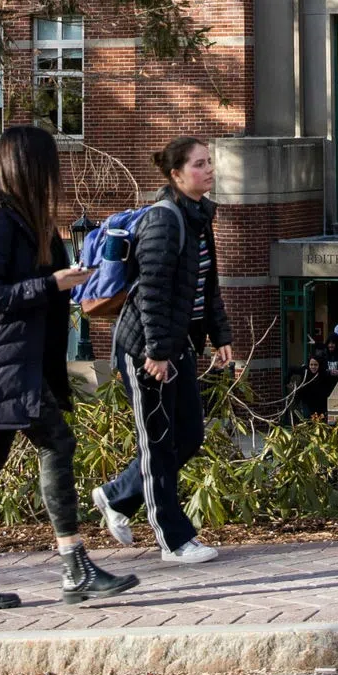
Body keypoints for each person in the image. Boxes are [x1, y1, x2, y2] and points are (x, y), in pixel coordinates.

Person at [0, 124, 138, 611]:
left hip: (6, 363)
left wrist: (74, 278)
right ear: (29, 166)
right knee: (54, 442)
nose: (54, 176)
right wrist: (53, 284)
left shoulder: (19, 217)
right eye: (49, 166)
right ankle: (72, 568)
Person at [92, 136, 233, 564]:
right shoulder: (163, 220)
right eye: (198, 164)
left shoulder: (198, 217)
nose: (208, 170)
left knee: (189, 435)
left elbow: (205, 285)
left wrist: (220, 335)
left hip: (178, 346)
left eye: (209, 163)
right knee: (158, 443)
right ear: (175, 175)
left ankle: (117, 495)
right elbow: (151, 293)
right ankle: (173, 540)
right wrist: (155, 352)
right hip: (146, 351)